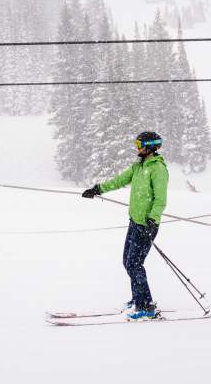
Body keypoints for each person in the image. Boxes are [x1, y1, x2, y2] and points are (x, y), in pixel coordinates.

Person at [81, 132, 169, 320]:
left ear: (150, 147)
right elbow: (119, 180)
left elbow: (161, 200)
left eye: (140, 145)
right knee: (127, 261)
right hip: (134, 221)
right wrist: (98, 189)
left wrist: (152, 220)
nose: (137, 148)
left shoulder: (158, 169)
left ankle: (146, 306)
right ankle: (138, 298)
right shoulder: (138, 167)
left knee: (134, 263)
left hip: (147, 225)